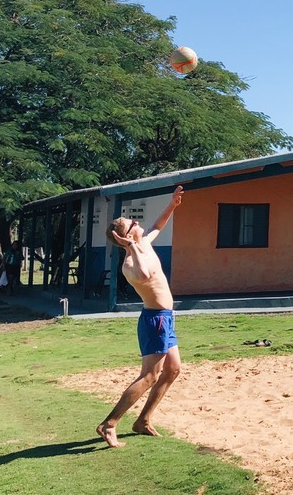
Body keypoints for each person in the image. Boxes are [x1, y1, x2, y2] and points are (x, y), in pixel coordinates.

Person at [96, 186, 185, 448]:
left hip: (166, 318)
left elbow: (158, 224)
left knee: (173, 370)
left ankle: (143, 420)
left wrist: (172, 205)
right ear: (123, 237)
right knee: (149, 376)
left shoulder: (144, 243)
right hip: (154, 321)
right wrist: (132, 247)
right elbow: (145, 275)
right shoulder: (129, 264)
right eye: (132, 223)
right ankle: (108, 424)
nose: (137, 223)